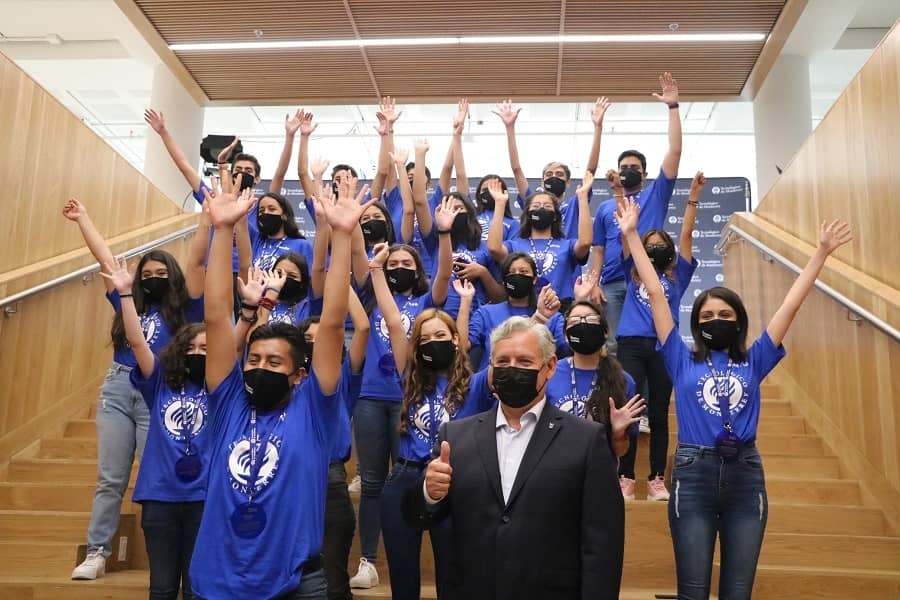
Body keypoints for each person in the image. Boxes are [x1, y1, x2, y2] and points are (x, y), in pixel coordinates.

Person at [616, 198, 852, 599]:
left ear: (739, 321)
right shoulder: (679, 357)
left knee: (738, 593)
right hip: (693, 474)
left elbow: (790, 306)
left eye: (725, 316)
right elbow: (657, 293)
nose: (715, 321)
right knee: (692, 592)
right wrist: (632, 236)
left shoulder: (756, 358)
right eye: (707, 317)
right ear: (696, 323)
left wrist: (821, 253)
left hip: (746, 474)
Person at [188, 177, 369, 599]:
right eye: (253, 360)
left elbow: (331, 321)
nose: (259, 368)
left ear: (299, 374)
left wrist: (342, 237)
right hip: (216, 582)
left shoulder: (314, 407)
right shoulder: (229, 400)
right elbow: (216, 316)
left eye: (273, 362)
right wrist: (221, 232)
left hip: (296, 583)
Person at [403, 316, 625, 600]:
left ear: (550, 367)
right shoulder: (455, 437)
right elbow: (416, 516)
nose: (512, 369)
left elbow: (602, 544)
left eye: (524, 362)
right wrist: (428, 494)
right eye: (503, 362)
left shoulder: (586, 439)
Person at [64, 197, 206, 581]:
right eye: (148, 272)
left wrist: (208, 217)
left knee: (158, 474)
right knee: (111, 477)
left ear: (171, 275)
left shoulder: (186, 310)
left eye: (161, 271)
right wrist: (84, 218)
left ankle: (168, 558)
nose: (153, 277)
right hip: (116, 391)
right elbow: (107, 262)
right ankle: (97, 551)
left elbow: (198, 264)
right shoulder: (129, 302)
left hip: (158, 397)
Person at [101, 255, 241, 600]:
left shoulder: (221, 390)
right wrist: (125, 295)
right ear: (179, 351)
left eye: (205, 349)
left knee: (197, 588)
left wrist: (251, 311)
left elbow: (234, 342)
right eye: (191, 347)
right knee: (161, 588)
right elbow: (137, 342)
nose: (197, 352)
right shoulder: (158, 382)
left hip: (204, 498)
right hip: (160, 497)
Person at [348, 201, 454, 590]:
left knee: (409, 471)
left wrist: (442, 232)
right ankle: (369, 560)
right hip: (374, 396)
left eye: (407, 263)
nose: (399, 268)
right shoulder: (373, 300)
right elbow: (363, 264)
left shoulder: (429, 304)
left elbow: (443, 272)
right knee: (375, 481)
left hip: (412, 397)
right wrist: (372, 264)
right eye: (392, 264)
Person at [375, 275, 492, 599]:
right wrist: (375, 270)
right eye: (424, 339)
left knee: (452, 579)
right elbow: (394, 324)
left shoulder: (477, 383)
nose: (432, 342)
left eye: (440, 335)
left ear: (456, 340)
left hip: (456, 483)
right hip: (405, 478)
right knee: (403, 581)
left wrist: (537, 317)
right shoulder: (409, 377)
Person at [615, 171, 701, 501]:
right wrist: (621, 195)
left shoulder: (677, 275)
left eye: (660, 246)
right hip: (632, 345)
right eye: (648, 246)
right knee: (630, 409)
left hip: (665, 348)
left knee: (659, 414)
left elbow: (687, 236)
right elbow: (627, 236)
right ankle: (625, 476)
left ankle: (655, 480)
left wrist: (692, 198)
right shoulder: (631, 272)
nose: (654, 249)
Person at [588, 73, 683, 355]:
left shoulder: (655, 194)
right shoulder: (606, 207)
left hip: (649, 279)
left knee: (656, 343)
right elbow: (598, 249)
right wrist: (594, 282)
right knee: (615, 346)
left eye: (633, 167)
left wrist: (673, 108)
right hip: (614, 283)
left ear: (645, 173)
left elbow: (675, 152)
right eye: (623, 166)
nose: (627, 170)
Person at [298, 290, 369, 600]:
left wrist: (343, 286)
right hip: (291, 478)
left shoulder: (343, 379)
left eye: (322, 339)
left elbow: (363, 328)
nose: (317, 345)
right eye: (309, 340)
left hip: (330, 478)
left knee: (334, 577)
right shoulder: (288, 382)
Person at [547, 270, 644, 460]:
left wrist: (617, 433)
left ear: (606, 331)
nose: (583, 325)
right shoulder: (548, 373)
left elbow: (621, 451)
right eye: (575, 321)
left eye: (591, 320)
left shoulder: (623, 381)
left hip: (598, 475)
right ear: (566, 336)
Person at [493, 96, 609, 239]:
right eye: (549, 174)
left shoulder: (575, 204)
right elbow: (516, 169)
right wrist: (509, 128)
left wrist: (598, 128)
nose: (553, 177)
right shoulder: (532, 202)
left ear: (568, 182)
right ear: (542, 182)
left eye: (559, 174)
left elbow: (590, 171)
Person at [486, 170, 593, 309]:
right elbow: (494, 248)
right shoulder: (515, 245)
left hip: (560, 308)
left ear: (555, 215)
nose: (541, 209)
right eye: (536, 206)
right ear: (528, 214)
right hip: (523, 307)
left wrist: (583, 197)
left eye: (547, 207)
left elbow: (585, 243)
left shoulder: (567, 245)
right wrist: (500, 204)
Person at [462, 252, 567, 371]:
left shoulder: (552, 316)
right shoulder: (486, 313)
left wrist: (581, 300)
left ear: (534, 279)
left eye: (523, 272)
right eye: (511, 273)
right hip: (492, 382)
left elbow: (569, 348)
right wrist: (465, 301)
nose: (517, 276)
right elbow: (462, 346)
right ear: (504, 280)